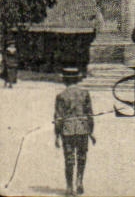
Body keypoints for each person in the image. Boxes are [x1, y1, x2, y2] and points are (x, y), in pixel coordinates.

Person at [54, 66, 95, 196]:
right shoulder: (85, 93)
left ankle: (69, 187)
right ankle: (79, 181)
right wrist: (91, 131)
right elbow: (90, 114)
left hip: (68, 130)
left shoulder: (61, 96)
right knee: (82, 157)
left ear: (64, 80)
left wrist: (57, 135)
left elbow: (58, 117)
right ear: (77, 79)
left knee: (69, 159)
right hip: (83, 129)